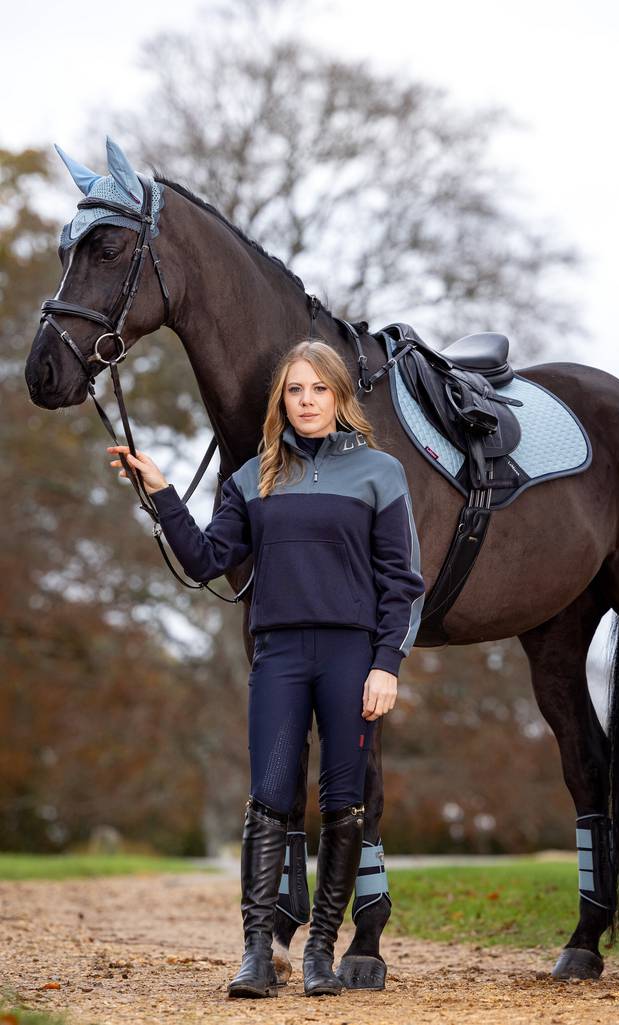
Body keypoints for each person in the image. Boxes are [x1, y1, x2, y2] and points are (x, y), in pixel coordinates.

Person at [107, 339, 425, 999]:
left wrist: (386, 664)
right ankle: (255, 952)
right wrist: (162, 493)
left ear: (339, 396)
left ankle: (317, 953)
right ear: (281, 400)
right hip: (278, 655)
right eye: (294, 391)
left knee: (344, 804)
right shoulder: (252, 476)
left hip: (350, 657)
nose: (305, 401)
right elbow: (204, 560)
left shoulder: (380, 473)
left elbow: (402, 583)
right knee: (268, 799)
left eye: (317, 389)